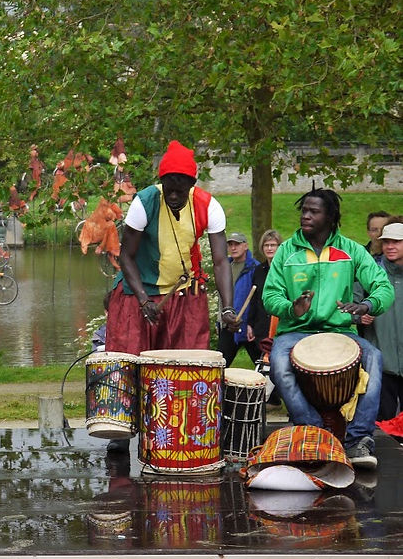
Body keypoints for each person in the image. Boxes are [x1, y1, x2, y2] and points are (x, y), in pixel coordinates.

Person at [104, 140, 238, 452]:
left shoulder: (208, 206)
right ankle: (120, 431)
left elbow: (220, 261)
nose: (175, 194)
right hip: (138, 291)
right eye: (169, 187)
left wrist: (228, 307)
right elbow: (126, 257)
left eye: (181, 188)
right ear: (161, 182)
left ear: (192, 184)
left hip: (184, 293)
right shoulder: (144, 202)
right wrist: (143, 300)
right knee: (129, 359)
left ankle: (184, 430)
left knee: (187, 362)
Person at [262, 188, 393, 470]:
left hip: (341, 332)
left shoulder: (351, 250)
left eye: (314, 211)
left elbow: (383, 287)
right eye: (304, 210)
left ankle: (359, 438)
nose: (305, 216)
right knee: (277, 363)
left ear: (331, 217)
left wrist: (368, 305)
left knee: (374, 358)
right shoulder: (287, 251)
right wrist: (290, 308)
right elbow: (270, 296)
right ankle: (312, 427)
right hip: (294, 331)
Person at [359, 219, 403, 421]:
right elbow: (348, 303)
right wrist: (359, 315)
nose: (390, 247)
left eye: (396, 242)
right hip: (380, 362)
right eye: (386, 242)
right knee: (383, 422)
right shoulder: (372, 273)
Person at [247, 229, 283, 404]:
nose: (269, 248)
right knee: (264, 361)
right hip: (261, 322)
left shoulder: (285, 269)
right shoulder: (259, 270)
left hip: (280, 322)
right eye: (266, 245)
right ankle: (269, 398)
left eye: (273, 245)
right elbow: (253, 299)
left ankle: (280, 397)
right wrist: (249, 324)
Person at [217, 232, 261, 366]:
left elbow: (257, 300)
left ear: (246, 246)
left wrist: (251, 324)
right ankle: (220, 388)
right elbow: (221, 298)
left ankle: (270, 387)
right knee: (220, 366)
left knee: (263, 365)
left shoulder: (254, 267)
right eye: (230, 244)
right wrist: (219, 320)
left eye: (237, 244)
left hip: (247, 326)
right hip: (228, 325)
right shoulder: (225, 267)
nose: (233, 248)